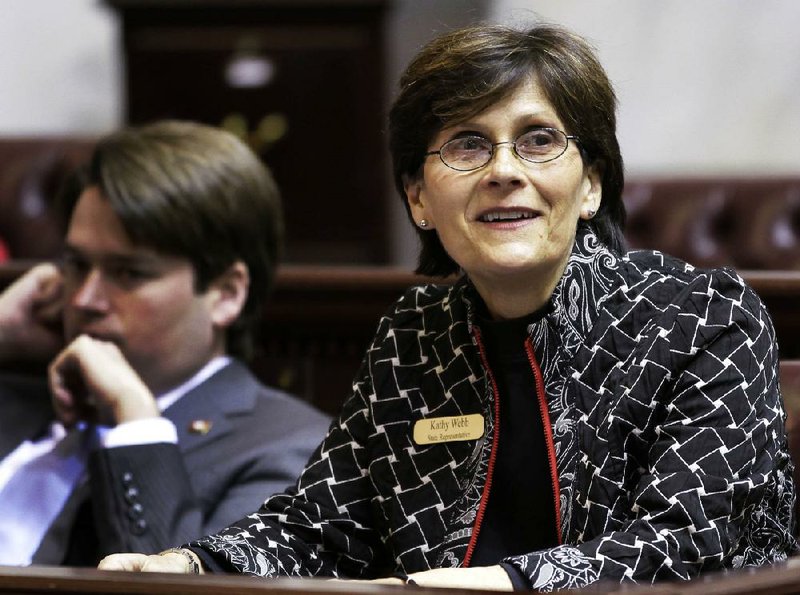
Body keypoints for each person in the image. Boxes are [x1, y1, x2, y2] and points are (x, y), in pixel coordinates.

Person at [99, 24, 796, 590]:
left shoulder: (702, 317)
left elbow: (691, 544)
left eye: (539, 139)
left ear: (591, 186)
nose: (501, 169)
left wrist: (507, 583)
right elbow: (321, 526)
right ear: (418, 199)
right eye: (467, 142)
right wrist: (193, 562)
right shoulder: (413, 336)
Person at [0, 120, 330, 567]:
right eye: (77, 264)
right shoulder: (17, 395)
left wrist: (135, 424)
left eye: (129, 273)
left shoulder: (293, 450)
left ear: (226, 293)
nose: (84, 299)